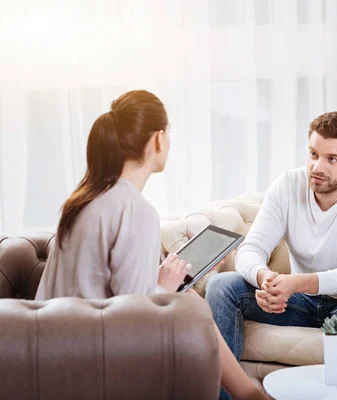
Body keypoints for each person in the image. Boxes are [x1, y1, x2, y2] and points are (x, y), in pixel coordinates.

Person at [35, 90, 268, 400]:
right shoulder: (135, 210)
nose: (169, 142)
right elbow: (131, 318)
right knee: (193, 310)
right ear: (158, 139)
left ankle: (247, 394)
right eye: (168, 134)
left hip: (50, 349)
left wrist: (160, 280)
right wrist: (167, 288)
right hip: (93, 356)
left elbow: (103, 290)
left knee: (189, 305)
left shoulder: (82, 201)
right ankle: (250, 395)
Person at [205, 111, 337, 380]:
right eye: (313, 154)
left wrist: (298, 283)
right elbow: (250, 250)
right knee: (221, 286)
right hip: (302, 304)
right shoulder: (288, 184)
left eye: (332, 159)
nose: (318, 167)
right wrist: (266, 279)